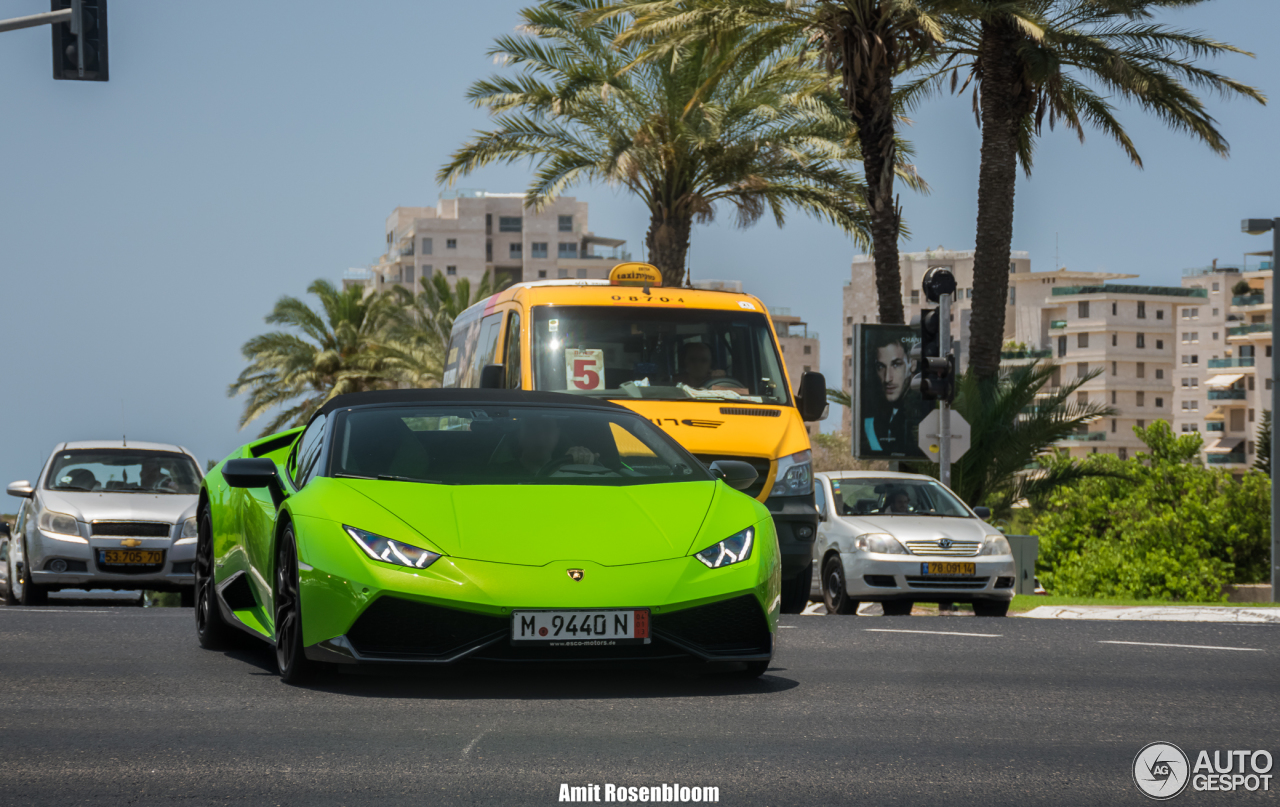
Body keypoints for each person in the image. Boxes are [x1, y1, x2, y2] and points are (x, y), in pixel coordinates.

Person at [862, 334, 918, 455]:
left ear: (912, 364)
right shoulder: (870, 424)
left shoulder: (920, 414)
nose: (887, 378)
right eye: (881, 367)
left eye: (896, 364)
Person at [491, 415, 598, 475]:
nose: (540, 435)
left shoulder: (571, 471)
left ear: (558, 434)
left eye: (547, 428)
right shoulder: (496, 474)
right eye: (531, 427)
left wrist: (583, 462)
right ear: (519, 434)